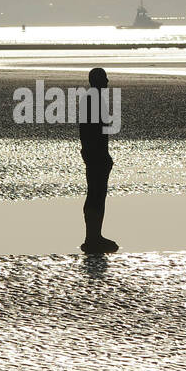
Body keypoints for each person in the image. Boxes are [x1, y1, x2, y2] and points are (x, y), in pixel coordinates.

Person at [80, 67, 118, 254]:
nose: (108, 81)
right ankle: (93, 237)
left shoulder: (92, 98)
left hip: (93, 153)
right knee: (96, 194)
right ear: (97, 81)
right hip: (96, 154)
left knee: (95, 194)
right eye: (104, 78)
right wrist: (101, 155)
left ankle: (94, 236)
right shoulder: (93, 99)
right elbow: (94, 132)